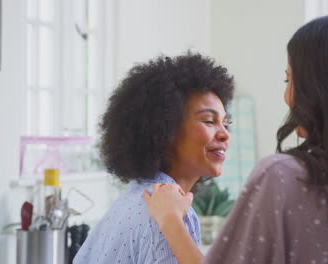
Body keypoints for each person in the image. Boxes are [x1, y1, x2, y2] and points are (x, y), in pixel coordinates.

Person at [143, 16, 328, 264]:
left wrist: (169, 219)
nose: (287, 96)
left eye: (290, 81)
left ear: (319, 91)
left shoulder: (282, 176)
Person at [73, 52, 234, 264]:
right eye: (208, 121)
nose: (225, 134)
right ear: (166, 130)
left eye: (226, 123)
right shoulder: (168, 214)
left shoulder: (134, 198)